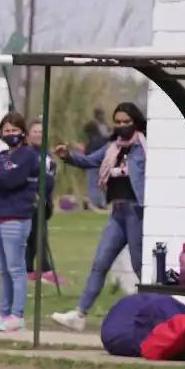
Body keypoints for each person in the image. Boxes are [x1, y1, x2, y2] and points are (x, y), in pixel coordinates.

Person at [51, 102, 147, 331]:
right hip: (118, 212)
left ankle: (151, 312)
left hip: (136, 211)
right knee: (100, 263)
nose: (122, 126)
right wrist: (68, 156)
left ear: (136, 122)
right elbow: (88, 161)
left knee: (140, 266)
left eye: (127, 122)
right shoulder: (112, 147)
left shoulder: (145, 147)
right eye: (118, 122)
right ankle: (80, 314)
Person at [0, 112, 38, 332]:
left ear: (22, 132)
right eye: (6, 130)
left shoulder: (28, 155)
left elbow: (14, 179)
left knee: (16, 268)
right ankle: (3, 312)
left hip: (16, 217)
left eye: (14, 130)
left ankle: (17, 314)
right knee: (3, 269)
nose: (10, 134)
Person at [24, 118, 60, 283]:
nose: (38, 135)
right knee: (36, 235)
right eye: (35, 132)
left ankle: (31, 269)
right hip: (31, 201)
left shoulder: (47, 155)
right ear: (28, 135)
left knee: (37, 234)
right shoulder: (26, 154)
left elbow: (51, 176)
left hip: (45, 201)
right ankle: (43, 268)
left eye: (41, 132)